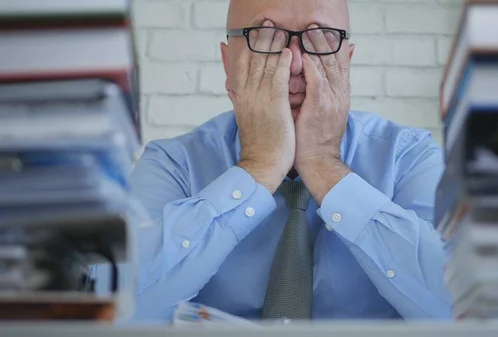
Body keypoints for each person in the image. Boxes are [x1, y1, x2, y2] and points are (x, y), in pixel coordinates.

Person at [128, 0, 452, 323]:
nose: (295, 64)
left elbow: (460, 311)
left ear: (347, 60)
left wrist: (325, 165)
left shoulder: (410, 157)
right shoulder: (173, 164)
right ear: (228, 63)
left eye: (321, 39)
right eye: (265, 37)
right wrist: (258, 166)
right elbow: (118, 309)